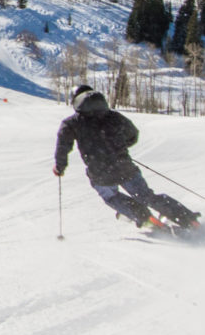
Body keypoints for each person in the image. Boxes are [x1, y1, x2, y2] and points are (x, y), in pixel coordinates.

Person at [52, 84, 195, 230]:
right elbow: (133, 135)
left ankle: (143, 216)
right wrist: (118, 147)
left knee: (111, 197)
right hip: (124, 166)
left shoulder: (71, 123)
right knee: (146, 195)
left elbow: (63, 147)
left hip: (99, 171)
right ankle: (186, 217)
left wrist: (59, 167)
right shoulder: (114, 116)